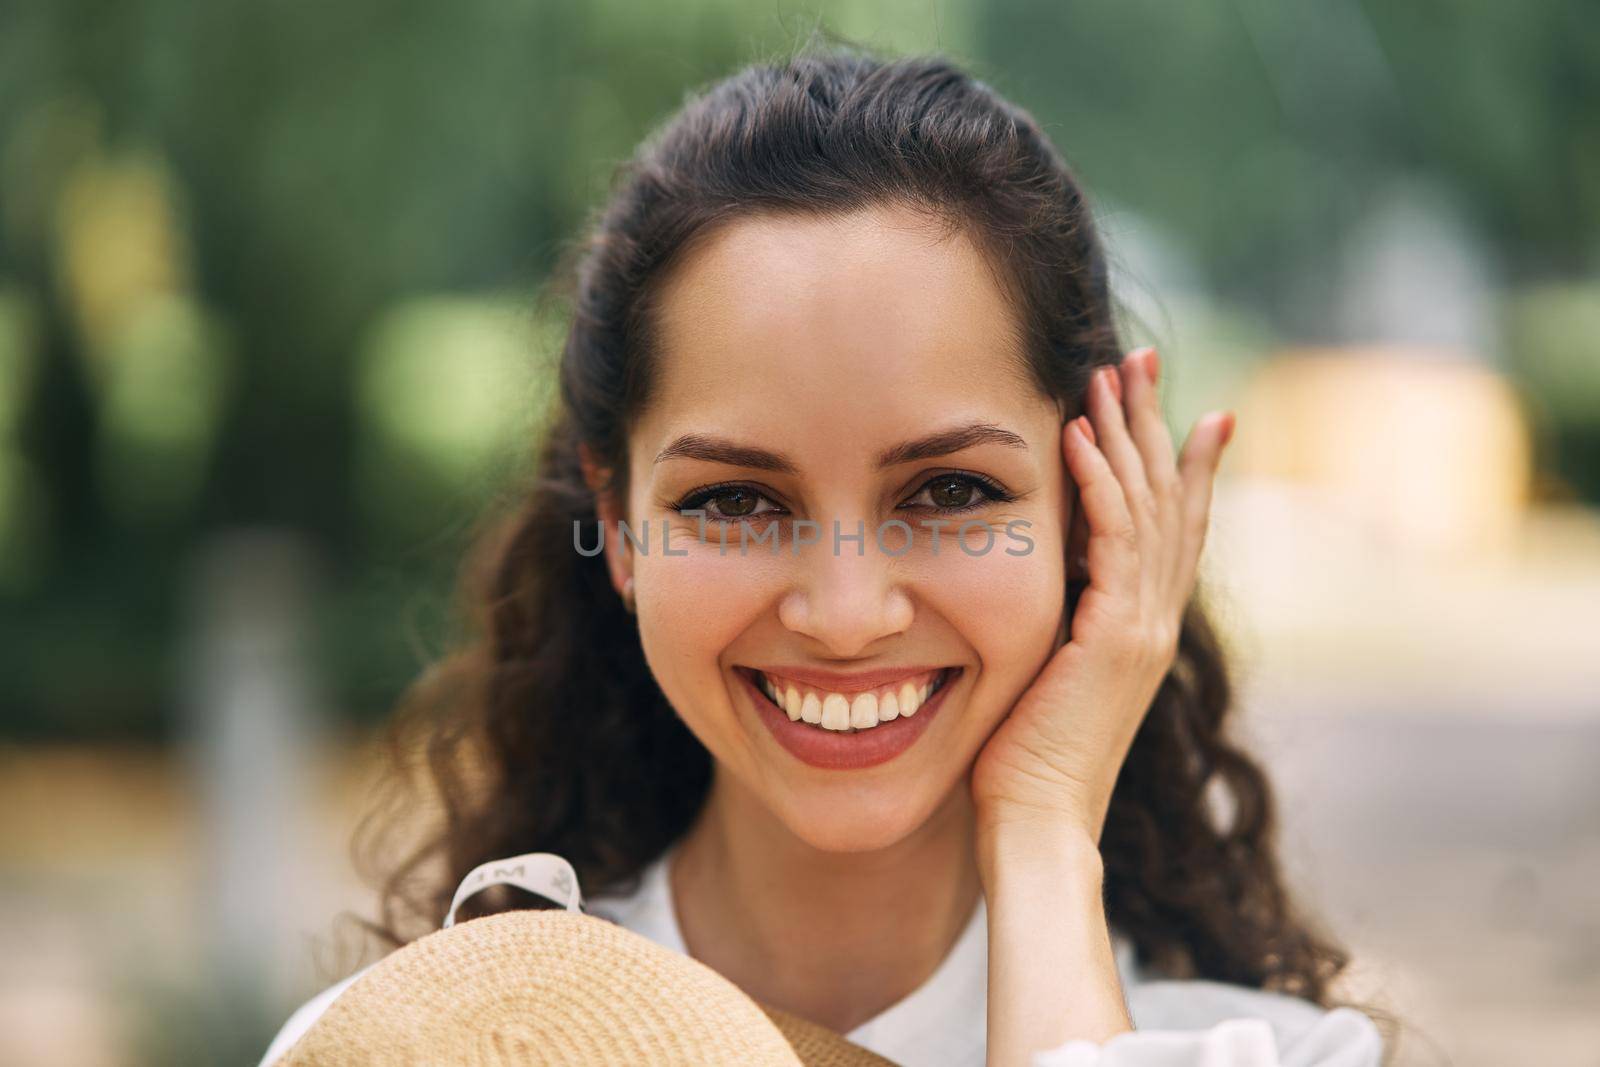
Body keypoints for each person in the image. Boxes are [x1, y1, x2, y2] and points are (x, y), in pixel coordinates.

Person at [260, 47, 1385, 1066]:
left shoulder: (1285, 1058)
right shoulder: (413, 1045)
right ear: (620, 525)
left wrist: (1044, 832)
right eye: (738, 500)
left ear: (1095, 509)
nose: (845, 614)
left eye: (949, 491)